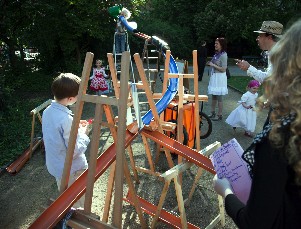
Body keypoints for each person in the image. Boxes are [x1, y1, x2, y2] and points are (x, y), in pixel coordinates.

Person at [213, 19, 301, 228]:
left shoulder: (280, 141)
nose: (257, 38)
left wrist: (225, 191)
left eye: (260, 35)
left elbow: (254, 222)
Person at [42, 73, 90, 208]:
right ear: (70, 98)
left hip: (57, 166)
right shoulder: (66, 119)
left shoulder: (47, 111)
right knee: (78, 203)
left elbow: (55, 133)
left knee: (65, 196)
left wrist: (75, 125)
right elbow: (74, 151)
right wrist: (84, 134)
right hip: (72, 170)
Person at [207, 37, 228, 121]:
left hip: (220, 78)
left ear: (221, 45)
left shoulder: (223, 55)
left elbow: (223, 69)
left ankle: (219, 115)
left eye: (217, 44)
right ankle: (212, 112)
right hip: (215, 76)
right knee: (214, 96)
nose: (215, 45)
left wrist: (213, 65)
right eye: (215, 43)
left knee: (219, 97)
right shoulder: (217, 54)